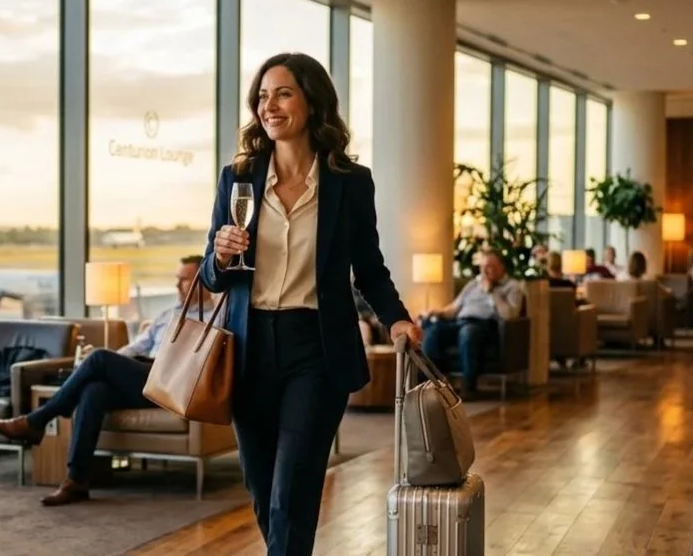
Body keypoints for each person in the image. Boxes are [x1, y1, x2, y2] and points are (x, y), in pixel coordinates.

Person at [200, 52, 421, 555]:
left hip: (316, 349)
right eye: (262, 97)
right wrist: (220, 255)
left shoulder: (349, 181)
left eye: (283, 94)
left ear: (312, 101)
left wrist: (397, 319)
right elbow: (212, 278)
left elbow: (369, 267)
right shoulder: (238, 177)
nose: (269, 107)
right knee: (263, 490)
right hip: (249, 348)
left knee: (292, 491)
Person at [0, 255, 213, 506]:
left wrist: (103, 362)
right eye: (177, 279)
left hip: (174, 383)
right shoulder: (167, 315)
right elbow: (134, 348)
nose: (177, 286)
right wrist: (109, 366)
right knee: (94, 390)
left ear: (203, 281)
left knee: (99, 358)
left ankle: (35, 421)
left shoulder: (214, 317)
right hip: (143, 376)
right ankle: (76, 480)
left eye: (184, 280)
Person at [419, 249, 525, 400]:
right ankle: (431, 381)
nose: (485, 271)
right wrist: (436, 312)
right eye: (483, 267)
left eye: (490, 267)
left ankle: (469, 387)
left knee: (468, 332)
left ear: (501, 268)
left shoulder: (512, 286)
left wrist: (491, 292)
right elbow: (454, 308)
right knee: (432, 329)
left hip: (485, 325)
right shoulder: (473, 285)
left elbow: (510, 314)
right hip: (459, 321)